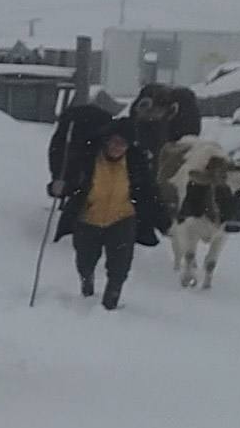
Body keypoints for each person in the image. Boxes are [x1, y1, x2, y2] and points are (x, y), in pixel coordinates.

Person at [51, 120, 168, 310]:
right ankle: (87, 286)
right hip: (88, 219)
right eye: (115, 142)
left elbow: (150, 193)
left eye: (123, 144)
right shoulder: (87, 158)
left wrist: (165, 223)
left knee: (120, 267)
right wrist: (57, 188)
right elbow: (69, 182)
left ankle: (110, 303)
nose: (117, 148)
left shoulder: (135, 162)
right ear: (106, 141)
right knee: (85, 262)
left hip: (122, 220)